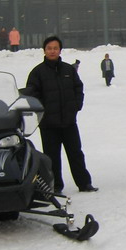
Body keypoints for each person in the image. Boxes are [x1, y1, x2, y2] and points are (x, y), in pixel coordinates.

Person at [25, 36, 97, 193]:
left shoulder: (68, 70)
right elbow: (31, 94)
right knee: (51, 157)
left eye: (55, 48)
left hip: (68, 121)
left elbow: (78, 88)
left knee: (76, 153)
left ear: (60, 50)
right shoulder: (37, 72)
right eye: (49, 48)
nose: (52, 51)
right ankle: (55, 186)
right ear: (44, 50)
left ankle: (84, 183)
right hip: (48, 124)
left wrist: (76, 106)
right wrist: (42, 111)